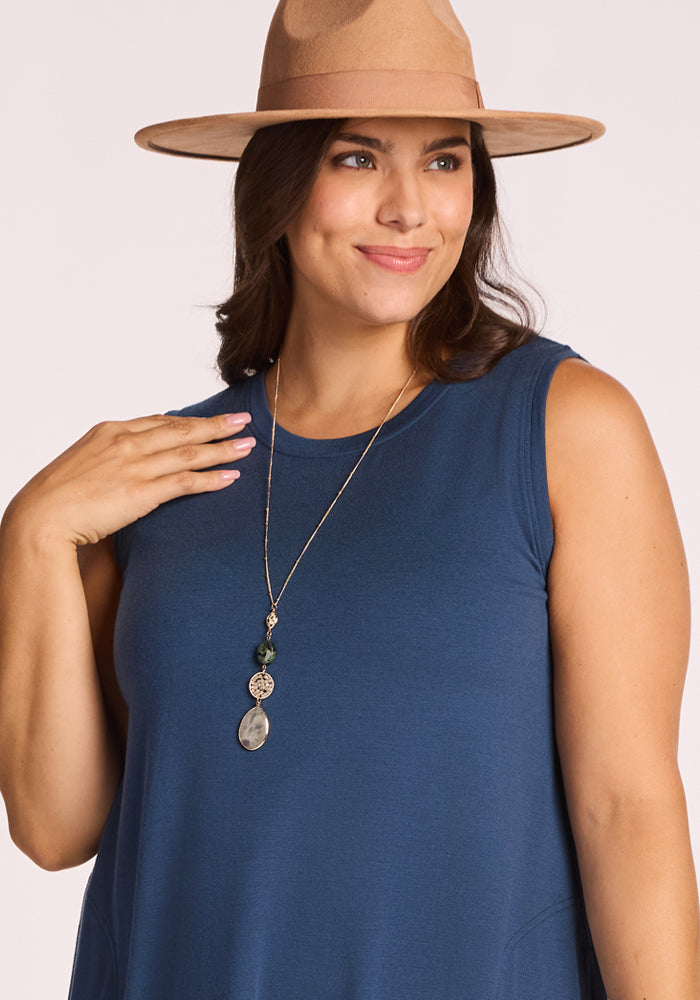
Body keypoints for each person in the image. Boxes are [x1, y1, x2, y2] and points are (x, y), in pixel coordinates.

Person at [0, 0, 698, 996]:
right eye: (358, 159)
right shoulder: (160, 476)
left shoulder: (561, 426)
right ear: (278, 190)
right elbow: (54, 824)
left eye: (445, 160)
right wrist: (30, 536)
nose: (410, 208)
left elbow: (627, 809)